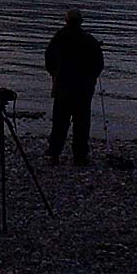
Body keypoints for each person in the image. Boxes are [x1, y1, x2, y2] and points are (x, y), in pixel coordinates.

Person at [44, 9, 104, 166]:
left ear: (66, 21)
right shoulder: (89, 40)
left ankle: (55, 154)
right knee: (81, 124)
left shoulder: (59, 37)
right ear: (81, 22)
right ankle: (79, 156)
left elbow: (49, 59)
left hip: (62, 88)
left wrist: (55, 75)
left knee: (59, 123)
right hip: (83, 90)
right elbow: (99, 64)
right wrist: (91, 79)